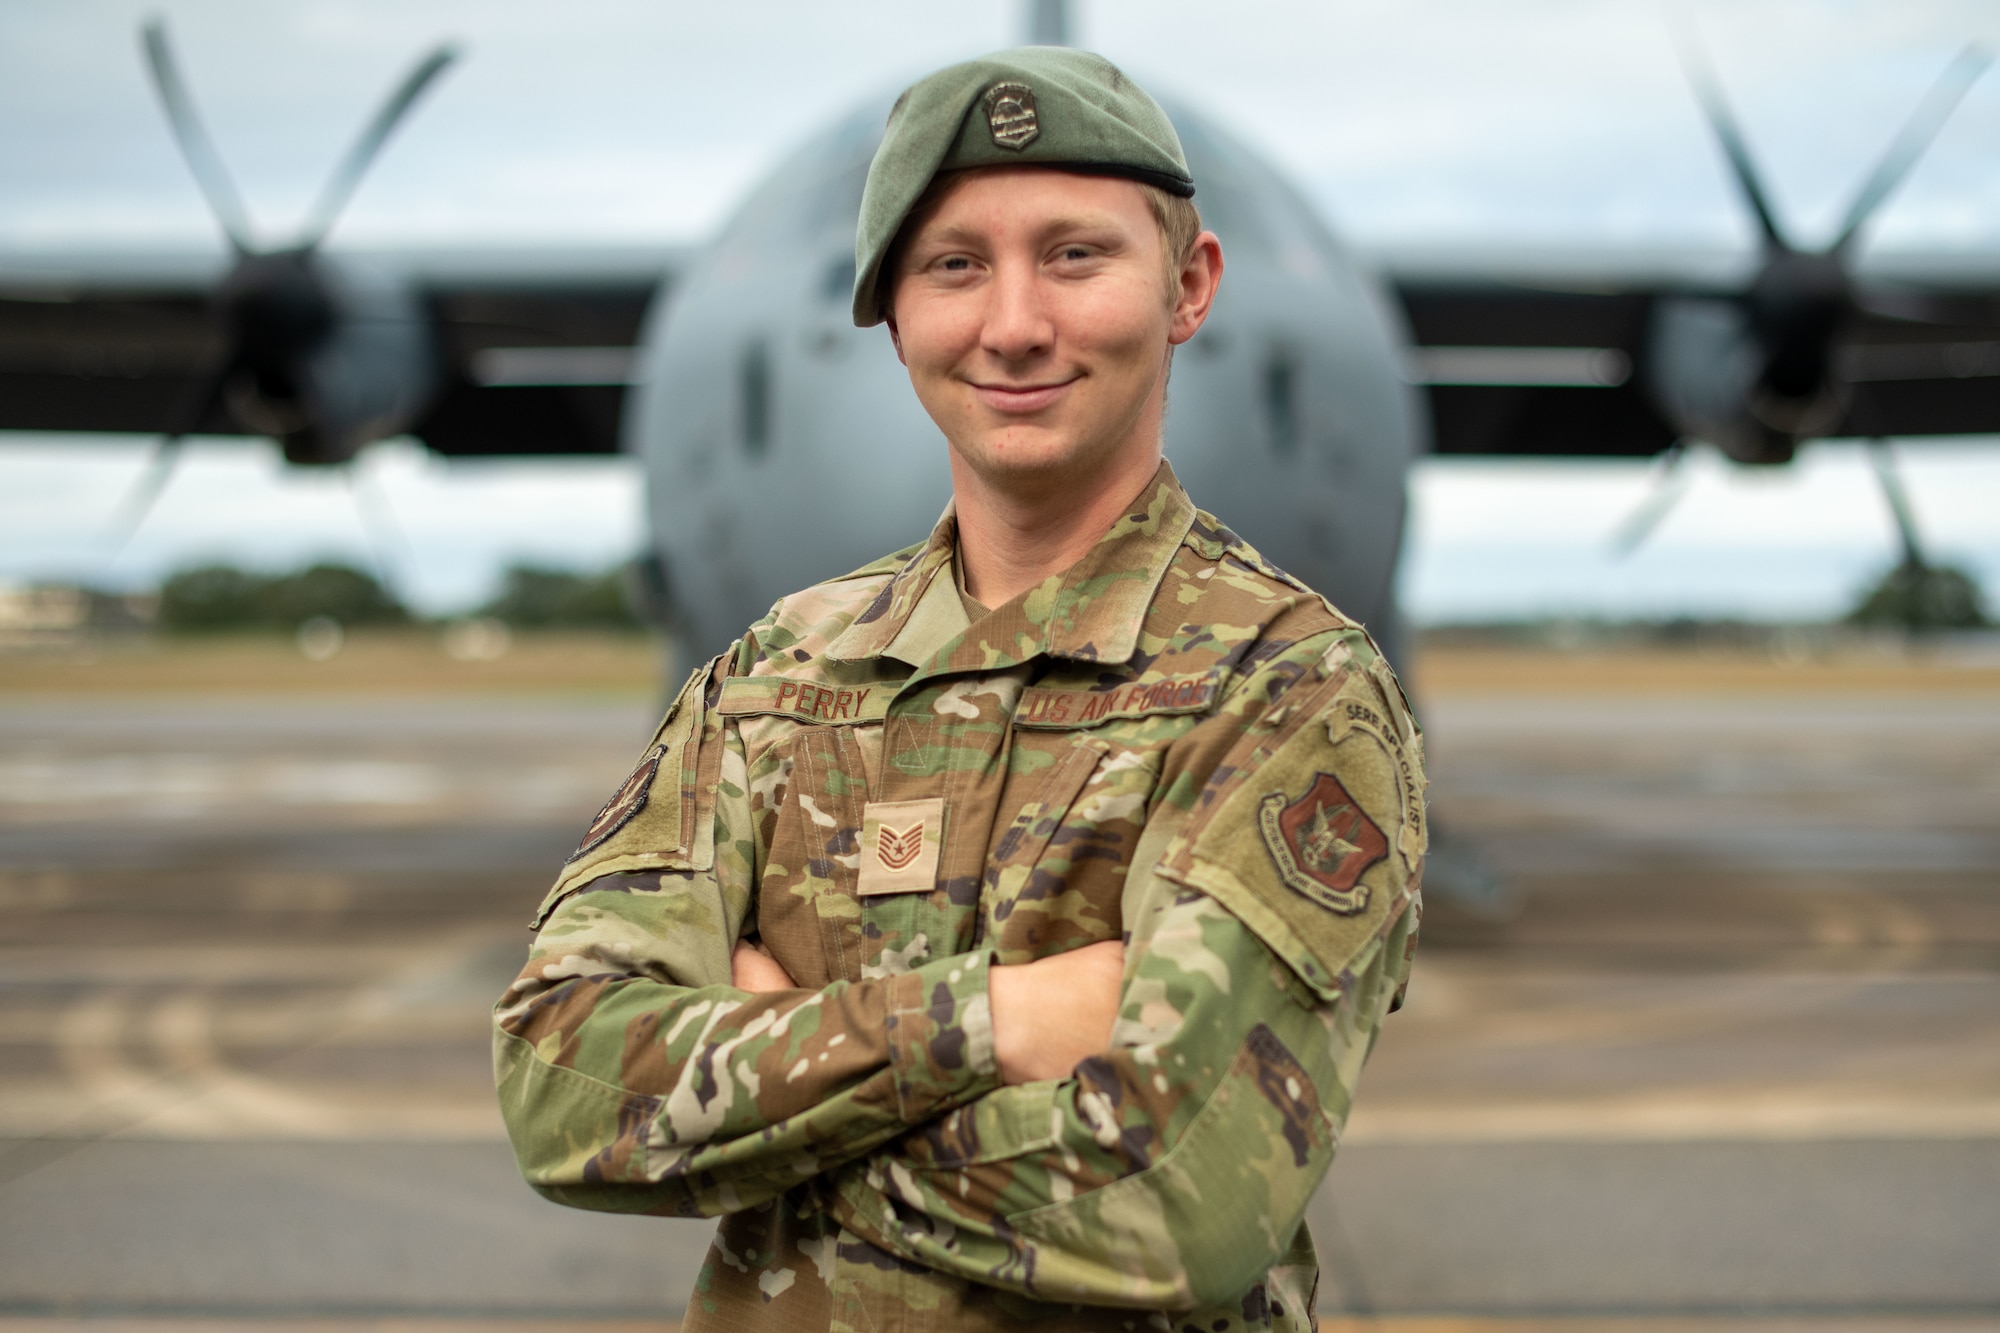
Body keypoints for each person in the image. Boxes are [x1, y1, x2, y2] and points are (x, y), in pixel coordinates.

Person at [495, 46, 1424, 1333]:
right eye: (953, 265)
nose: (1013, 324)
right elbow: (559, 1087)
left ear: (1188, 288)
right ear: (889, 310)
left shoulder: (1287, 692)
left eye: (1076, 255)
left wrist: (780, 1081)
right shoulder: (777, 675)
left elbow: (1176, 1204)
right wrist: (995, 1019)